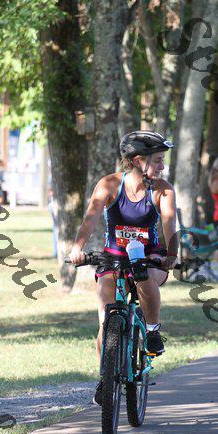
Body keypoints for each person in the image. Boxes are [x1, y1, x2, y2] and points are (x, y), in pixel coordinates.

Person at [68, 131, 178, 403]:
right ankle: (105, 379)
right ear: (139, 160)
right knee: (106, 320)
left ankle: (152, 331)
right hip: (114, 257)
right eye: (158, 160)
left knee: (143, 276)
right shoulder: (109, 184)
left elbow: (169, 225)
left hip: (150, 256)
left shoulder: (162, 190)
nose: (162, 167)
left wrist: (171, 255)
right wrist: (77, 247)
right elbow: (90, 218)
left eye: (162, 160)